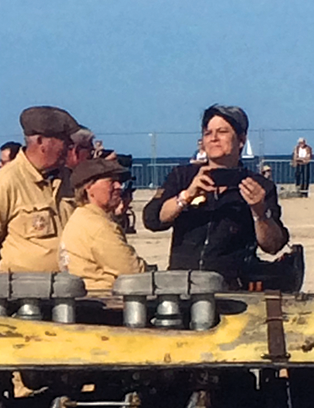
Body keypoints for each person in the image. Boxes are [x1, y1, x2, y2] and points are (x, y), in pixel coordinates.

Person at [140, 104, 288, 289]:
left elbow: (273, 245)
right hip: (181, 285)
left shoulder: (258, 186)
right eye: (208, 133)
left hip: (231, 288)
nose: (214, 138)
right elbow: (152, 219)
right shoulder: (183, 176)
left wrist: (259, 212)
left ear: (241, 139)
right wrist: (186, 196)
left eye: (222, 131)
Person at [0, 106, 80, 273]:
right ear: (40, 142)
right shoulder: (5, 182)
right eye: (64, 140)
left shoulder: (69, 180)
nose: (69, 147)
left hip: (69, 287)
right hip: (23, 292)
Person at [59, 157, 150, 292]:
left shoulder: (82, 216)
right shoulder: (97, 226)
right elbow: (132, 270)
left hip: (86, 298)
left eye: (119, 182)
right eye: (111, 182)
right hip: (105, 302)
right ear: (89, 187)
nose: (119, 186)